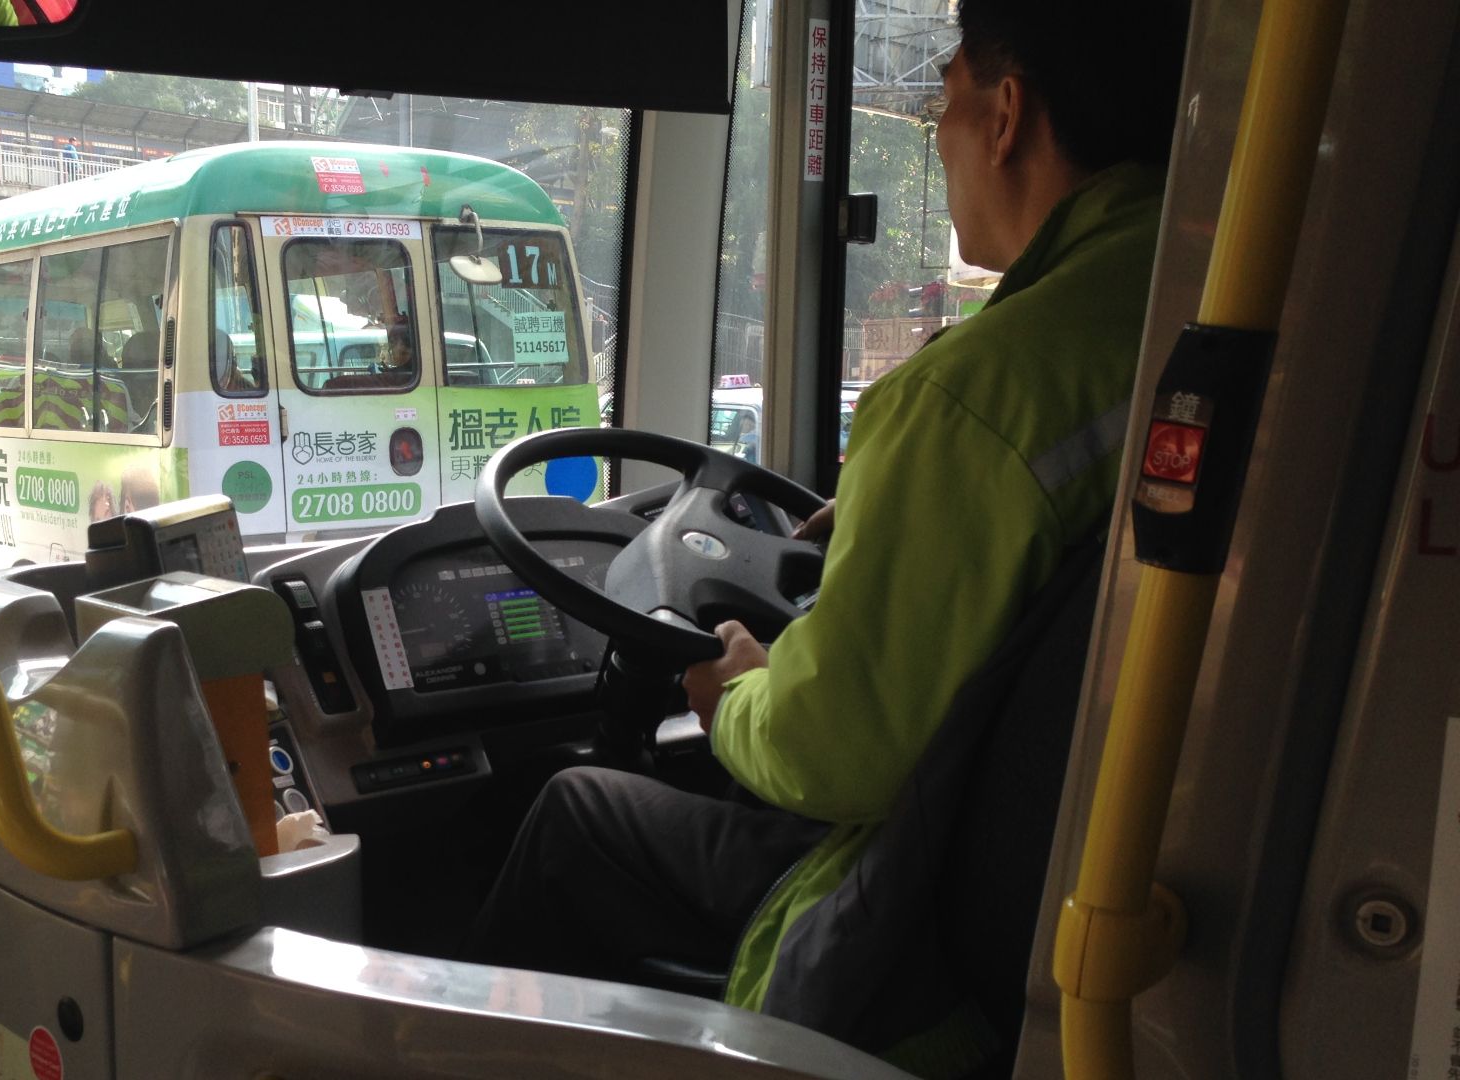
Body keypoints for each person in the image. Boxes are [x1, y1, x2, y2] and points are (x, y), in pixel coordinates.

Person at [463, 0, 1190, 1065]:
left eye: (942, 94)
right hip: (1075, 867)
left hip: (915, 903)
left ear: (1006, 116)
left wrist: (738, 692)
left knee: (578, 809)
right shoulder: (1194, 298)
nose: (937, 132)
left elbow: (832, 755)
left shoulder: (968, 405)